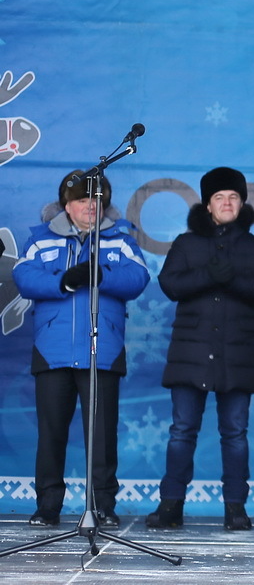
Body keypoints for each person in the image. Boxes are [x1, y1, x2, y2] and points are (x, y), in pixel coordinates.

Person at [146, 167, 254, 531]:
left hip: (236, 355)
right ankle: (171, 505)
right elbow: (170, 284)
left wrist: (235, 280)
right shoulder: (186, 243)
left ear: (242, 205)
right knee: (182, 430)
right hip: (190, 355)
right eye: (219, 198)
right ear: (208, 205)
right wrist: (208, 275)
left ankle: (235, 507)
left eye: (234, 198)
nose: (226, 203)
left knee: (236, 433)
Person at [13, 169, 150, 527]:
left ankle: (101, 505)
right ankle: (48, 507)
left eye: (97, 199)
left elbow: (138, 278)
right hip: (52, 349)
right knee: (51, 433)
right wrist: (63, 280)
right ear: (66, 205)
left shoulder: (120, 238)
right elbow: (24, 277)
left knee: (102, 437)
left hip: (102, 350)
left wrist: (102, 274)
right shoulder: (41, 239)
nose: (90, 205)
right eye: (82, 200)